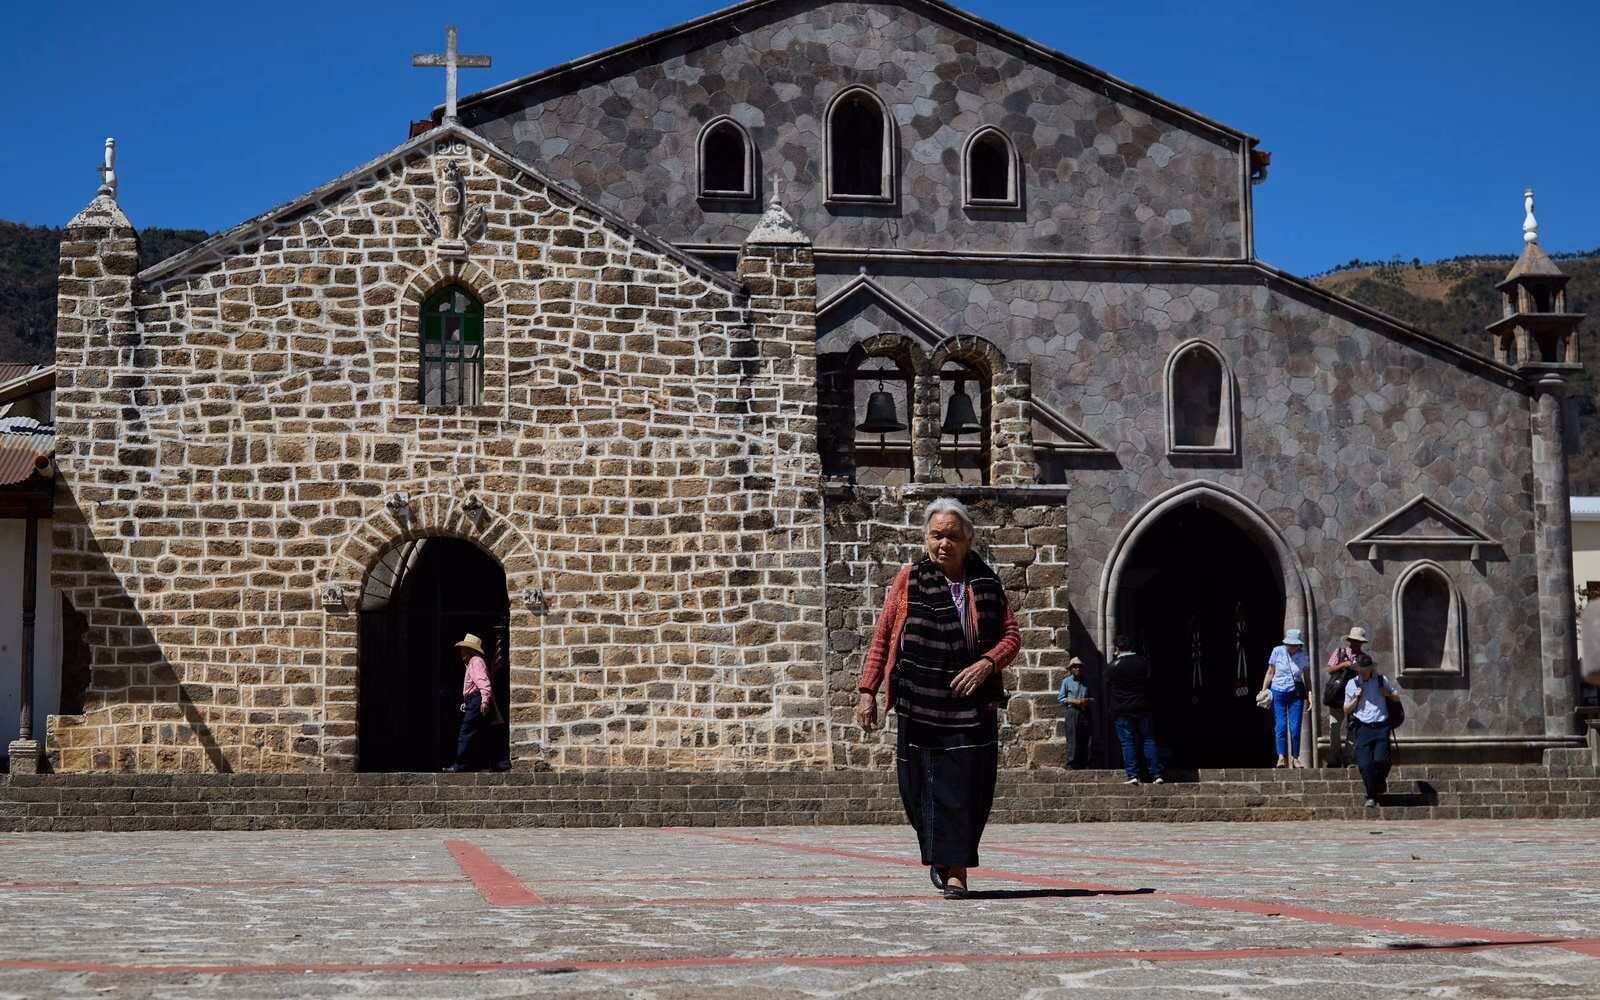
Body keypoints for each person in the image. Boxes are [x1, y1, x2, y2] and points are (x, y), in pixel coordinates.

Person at [854, 497, 1022, 899]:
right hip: (919, 701)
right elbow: (883, 636)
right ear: (926, 539)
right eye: (936, 535)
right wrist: (867, 691)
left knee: (964, 791)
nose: (943, 543)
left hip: (970, 705)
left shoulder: (986, 584)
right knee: (917, 790)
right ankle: (940, 855)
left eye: (952, 536)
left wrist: (987, 663)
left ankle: (957, 872)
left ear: (968, 540)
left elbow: (1011, 636)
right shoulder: (909, 579)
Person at [1343, 653, 1402, 807]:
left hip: (1381, 726)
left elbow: (1397, 697)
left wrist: (1388, 694)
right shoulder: (1352, 684)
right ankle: (1371, 795)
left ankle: (1378, 784)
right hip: (1362, 728)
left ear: (1370, 669)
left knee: (1382, 761)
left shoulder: (1382, 680)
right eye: (1359, 669)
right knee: (1364, 765)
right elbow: (1346, 710)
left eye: (1363, 669)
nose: (1360, 672)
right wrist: (1356, 699)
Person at [446, 633, 509, 773]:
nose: (461, 651)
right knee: (486, 731)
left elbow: (483, 682)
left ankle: (461, 765)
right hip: (474, 699)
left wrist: (484, 700)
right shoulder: (472, 662)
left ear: (470, 649)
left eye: (463, 648)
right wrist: (467, 701)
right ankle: (500, 764)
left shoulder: (476, 661)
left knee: (466, 732)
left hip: (478, 699)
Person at [1107, 636, 1163, 785]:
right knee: (1148, 740)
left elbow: (1108, 683)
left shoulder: (1113, 666)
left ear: (1117, 649)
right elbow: (1149, 681)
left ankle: (1133, 775)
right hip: (1142, 706)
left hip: (1122, 709)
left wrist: (1115, 659)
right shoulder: (1143, 662)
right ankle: (1156, 774)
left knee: (1127, 742)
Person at [1260, 628, 1310, 768]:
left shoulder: (1303, 655)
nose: (1292, 647)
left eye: (1295, 645)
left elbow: (1307, 677)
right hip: (1278, 692)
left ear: (1299, 645)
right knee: (1280, 726)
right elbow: (1270, 672)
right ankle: (1282, 756)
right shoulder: (1277, 651)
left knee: (1295, 727)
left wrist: (1310, 696)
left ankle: (1295, 757)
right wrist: (1264, 690)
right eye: (1290, 644)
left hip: (1296, 694)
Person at [1323, 626, 1368, 767]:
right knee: (1334, 727)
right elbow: (1330, 669)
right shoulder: (1340, 652)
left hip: (1355, 698)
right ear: (1350, 640)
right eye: (1354, 641)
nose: (1355, 644)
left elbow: (1368, 676)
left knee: (1353, 729)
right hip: (1337, 696)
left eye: (1358, 641)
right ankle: (1335, 757)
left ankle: (1349, 758)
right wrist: (1344, 664)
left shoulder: (1364, 658)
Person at [1057, 657, 1092, 769]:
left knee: (1086, 738)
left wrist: (1087, 701)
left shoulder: (1087, 681)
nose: (1078, 669)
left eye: (1080, 667)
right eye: (1075, 667)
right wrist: (1076, 701)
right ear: (1071, 669)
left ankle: (1085, 763)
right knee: (1072, 738)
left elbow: (1093, 697)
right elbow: (1061, 698)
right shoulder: (1066, 682)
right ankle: (1071, 763)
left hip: (1085, 712)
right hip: (1072, 712)